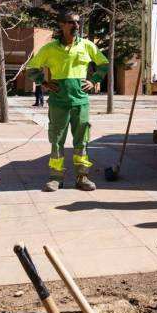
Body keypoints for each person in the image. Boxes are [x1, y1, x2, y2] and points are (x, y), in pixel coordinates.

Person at [27, 11, 109, 192]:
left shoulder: (87, 46)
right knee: (57, 141)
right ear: (62, 25)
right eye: (72, 23)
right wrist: (45, 82)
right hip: (58, 103)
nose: (76, 26)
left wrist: (93, 81)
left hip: (80, 103)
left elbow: (104, 65)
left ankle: (83, 177)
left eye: (78, 23)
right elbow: (31, 68)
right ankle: (56, 178)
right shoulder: (49, 49)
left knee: (82, 142)